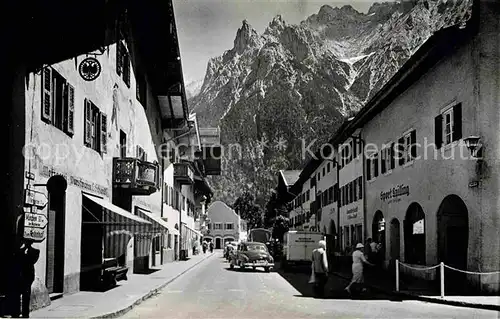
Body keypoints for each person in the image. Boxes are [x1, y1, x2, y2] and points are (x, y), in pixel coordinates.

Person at [19, 239, 40, 318]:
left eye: (28, 242)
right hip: (20, 275)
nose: (27, 243)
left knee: (26, 294)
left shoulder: (36, 251)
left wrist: (26, 253)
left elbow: (32, 261)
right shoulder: (20, 251)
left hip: (28, 275)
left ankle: (25, 313)